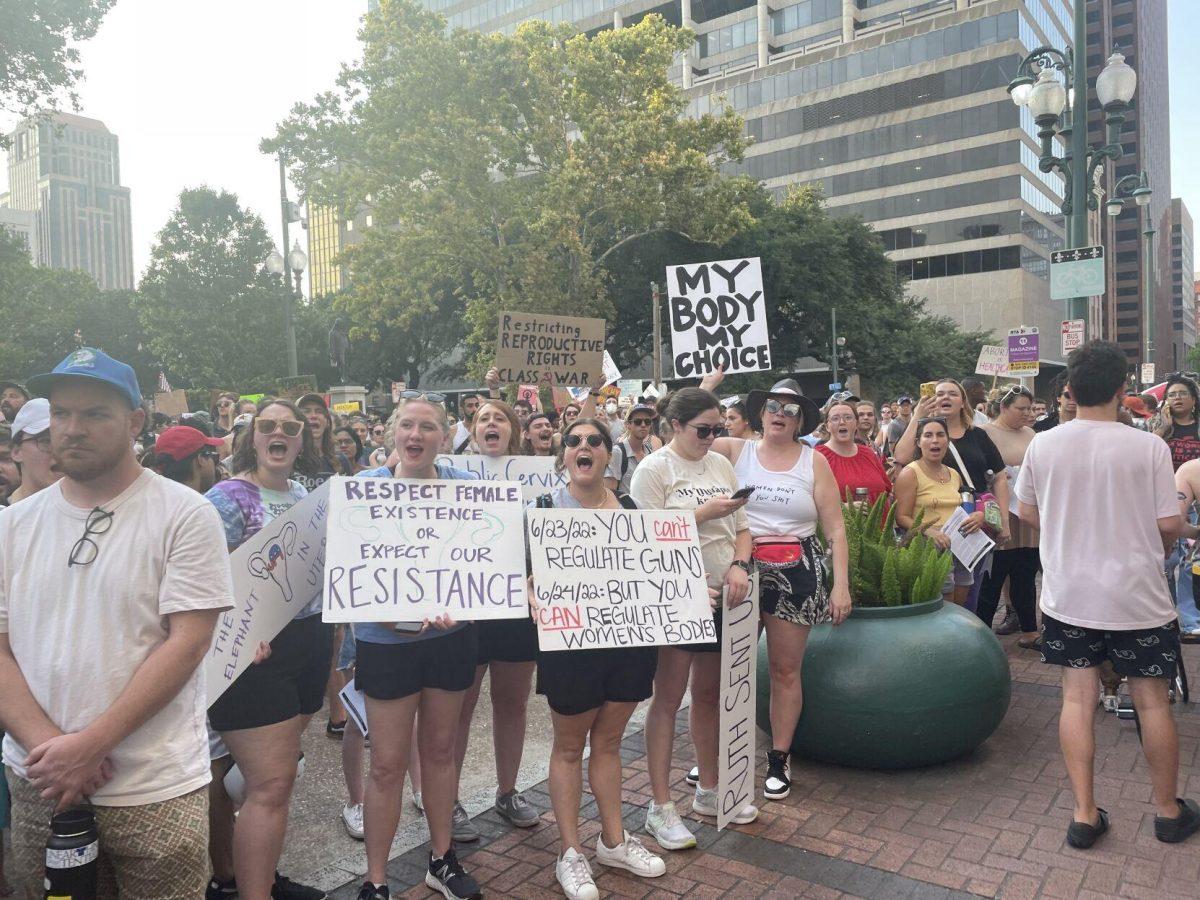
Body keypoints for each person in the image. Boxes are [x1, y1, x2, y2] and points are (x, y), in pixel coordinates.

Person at [0, 348, 233, 898]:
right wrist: (54, 749)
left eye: (94, 414)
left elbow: (189, 642)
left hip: (154, 782)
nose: (72, 429)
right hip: (41, 778)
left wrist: (92, 744)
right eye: (60, 414)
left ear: (134, 422)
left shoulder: (184, 514)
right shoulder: (14, 524)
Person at [1014, 340, 1199, 848]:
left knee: (1077, 698)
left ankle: (1083, 814)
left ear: (1070, 389)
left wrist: (1066, 525)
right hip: (1137, 596)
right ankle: (1166, 811)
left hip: (1069, 595)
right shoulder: (1148, 447)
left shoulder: (1044, 444)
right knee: (1152, 702)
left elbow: (1026, 510)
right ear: (1123, 390)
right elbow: (1168, 522)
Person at [354, 396, 483, 900]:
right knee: (386, 763)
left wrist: (466, 604)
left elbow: (484, 565)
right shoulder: (364, 490)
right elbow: (345, 567)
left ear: (444, 438)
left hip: (450, 639)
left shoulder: (468, 488)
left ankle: (441, 859)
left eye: (427, 427)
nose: (415, 434)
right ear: (392, 433)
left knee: (441, 750)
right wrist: (382, 609)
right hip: (386, 643)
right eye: (406, 424)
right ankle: (377, 880)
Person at [533, 419, 665, 900]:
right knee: (570, 748)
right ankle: (570, 852)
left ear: (609, 454)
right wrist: (530, 589)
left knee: (608, 742)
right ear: (563, 455)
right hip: (570, 647)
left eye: (594, 441)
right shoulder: (543, 509)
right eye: (574, 442)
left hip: (628, 643)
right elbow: (519, 573)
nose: (583, 447)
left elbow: (657, 571)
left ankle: (612, 840)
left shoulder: (631, 508)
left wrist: (691, 593)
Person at [204, 400, 330, 900]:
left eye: (290, 427)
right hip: (253, 654)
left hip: (310, 642)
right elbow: (205, 581)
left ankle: (252, 874)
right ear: (251, 438)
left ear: (302, 441)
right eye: (268, 426)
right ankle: (245, 887)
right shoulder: (226, 499)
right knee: (272, 784)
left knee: (272, 778)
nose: (279, 433)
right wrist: (230, 635)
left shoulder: (305, 494)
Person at [712, 380, 851, 803]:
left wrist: (840, 584)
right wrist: (705, 388)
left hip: (797, 571)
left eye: (790, 410)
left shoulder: (814, 462)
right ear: (760, 413)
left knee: (785, 671)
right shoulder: (734, 451)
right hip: (741, 567)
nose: (779, 413)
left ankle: (778, 757)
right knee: (728, 667)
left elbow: (836, 529)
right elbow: (683, 437)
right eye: (772, 406)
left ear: (801, 421)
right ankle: (717, 753)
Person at [631, 388, 756, 850]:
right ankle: (660, 805)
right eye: (703, 430)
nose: (711, 437)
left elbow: (743, 529)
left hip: (726, 593)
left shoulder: (721, 465)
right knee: (667, 697)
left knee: (709, 693)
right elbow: (644, 541)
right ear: (676, 426)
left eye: (717, 430)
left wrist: (741, 566)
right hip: (677, 597)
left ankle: (709, 786)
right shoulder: (653, 469)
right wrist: (703, 513)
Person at [453, 398, 541, 838]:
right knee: (460, 705)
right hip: (469, 603)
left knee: (512, 701)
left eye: (499, 418)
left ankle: (507, 792)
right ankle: (446, 797)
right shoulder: (449, 475)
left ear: (513, 430)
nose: (491, 423)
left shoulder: (536, 476)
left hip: (515, 604)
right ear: (472, 431)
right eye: (483, 418)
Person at [894, 379, 1010, 607]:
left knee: (971, 595)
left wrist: (994, 518)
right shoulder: (914, 466)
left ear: (963, 401)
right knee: (943, 604)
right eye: (940, 394)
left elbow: (998, 477)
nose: (935, 441)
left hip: (968, 531)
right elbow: (901, 457)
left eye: (952, 394)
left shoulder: (976, 436)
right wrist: (918, 415)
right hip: (933, 544)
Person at [977, 386, 1040, 648]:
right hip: (998, 514)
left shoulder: (1031, 434)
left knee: (1025, 574)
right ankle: (980, 632)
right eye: (1021, 408)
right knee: (993, 577)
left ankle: (1029, 629)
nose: (1027, 414)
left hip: (1026, 515)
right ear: (1003, 407)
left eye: (1029, 408)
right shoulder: (984, 434)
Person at [893, 417, 968, 601]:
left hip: (960, 546)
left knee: (961, 607)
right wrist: (930, 531)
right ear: (919, 442)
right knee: (945, 607)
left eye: (940, 435)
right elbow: (901, 517)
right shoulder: (910, 473)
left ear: (947, 441)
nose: (935, 440)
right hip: (930, 547)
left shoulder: (954, 473)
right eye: (928, 435)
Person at [815, 401, 891, 505]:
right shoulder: (817, 456)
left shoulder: (869, 453)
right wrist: (842, 508)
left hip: (880, 520)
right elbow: (806, 500)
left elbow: (886, 490)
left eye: (848, 417)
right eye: (835, 418)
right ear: (827, 426)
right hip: (842, 521)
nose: (842, 422)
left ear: (856, 423)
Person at [4, 401, 60, 505]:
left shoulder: (93, 514)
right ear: (17, 452)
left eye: (63, 441)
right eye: (46, 441)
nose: (59, 451)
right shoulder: (4, 516)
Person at [142, 424, 223, 494]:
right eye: (213, 456)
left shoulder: (155, 504)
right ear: (201, 459)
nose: (215, 462)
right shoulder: (201, 508)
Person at [295, 393, 353, 490]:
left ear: (327, 422)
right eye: (306, 411)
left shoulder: (341, 460)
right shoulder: (288, 461)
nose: (313, 416)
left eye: (319, 411)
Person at [604, 401, 661, 496]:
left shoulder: (649, 453)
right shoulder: (617, 452)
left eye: (647, 422)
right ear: (628, 425)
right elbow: (609, 491)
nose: (643, 425)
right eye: (638, 422)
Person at [1155, 374, 1200, 470]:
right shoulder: (1153, 423)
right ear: (1166, 401)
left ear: (1193, 400)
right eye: (1171, 395)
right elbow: (1147, 450)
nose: (1177, 397)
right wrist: (1164, 427)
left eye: (1183, 393)